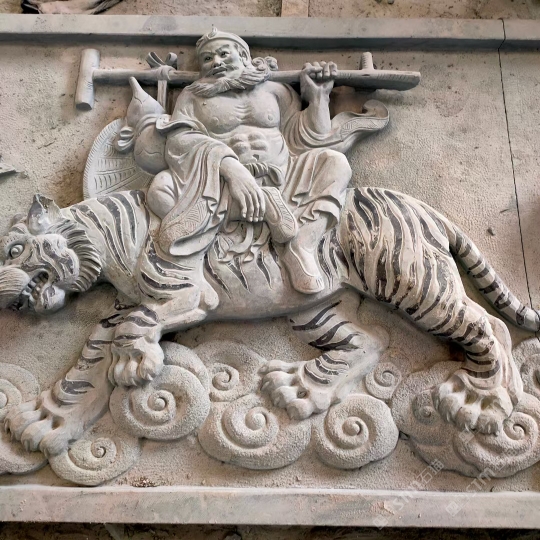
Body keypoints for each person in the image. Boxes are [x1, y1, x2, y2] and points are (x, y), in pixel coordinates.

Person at [147, 27, 353, 295]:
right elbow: (179, 142)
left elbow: (308, 139)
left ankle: (301, 245)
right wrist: (232, 169)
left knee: (335, 163)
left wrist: (318, 98)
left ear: (244, 56)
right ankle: (245, 215)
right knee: (160, 188)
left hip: (283, 177)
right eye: (207, 59)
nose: (216, 62)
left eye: (223, 54)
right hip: (221, 187)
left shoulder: (276, 90)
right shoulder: (192, 97)